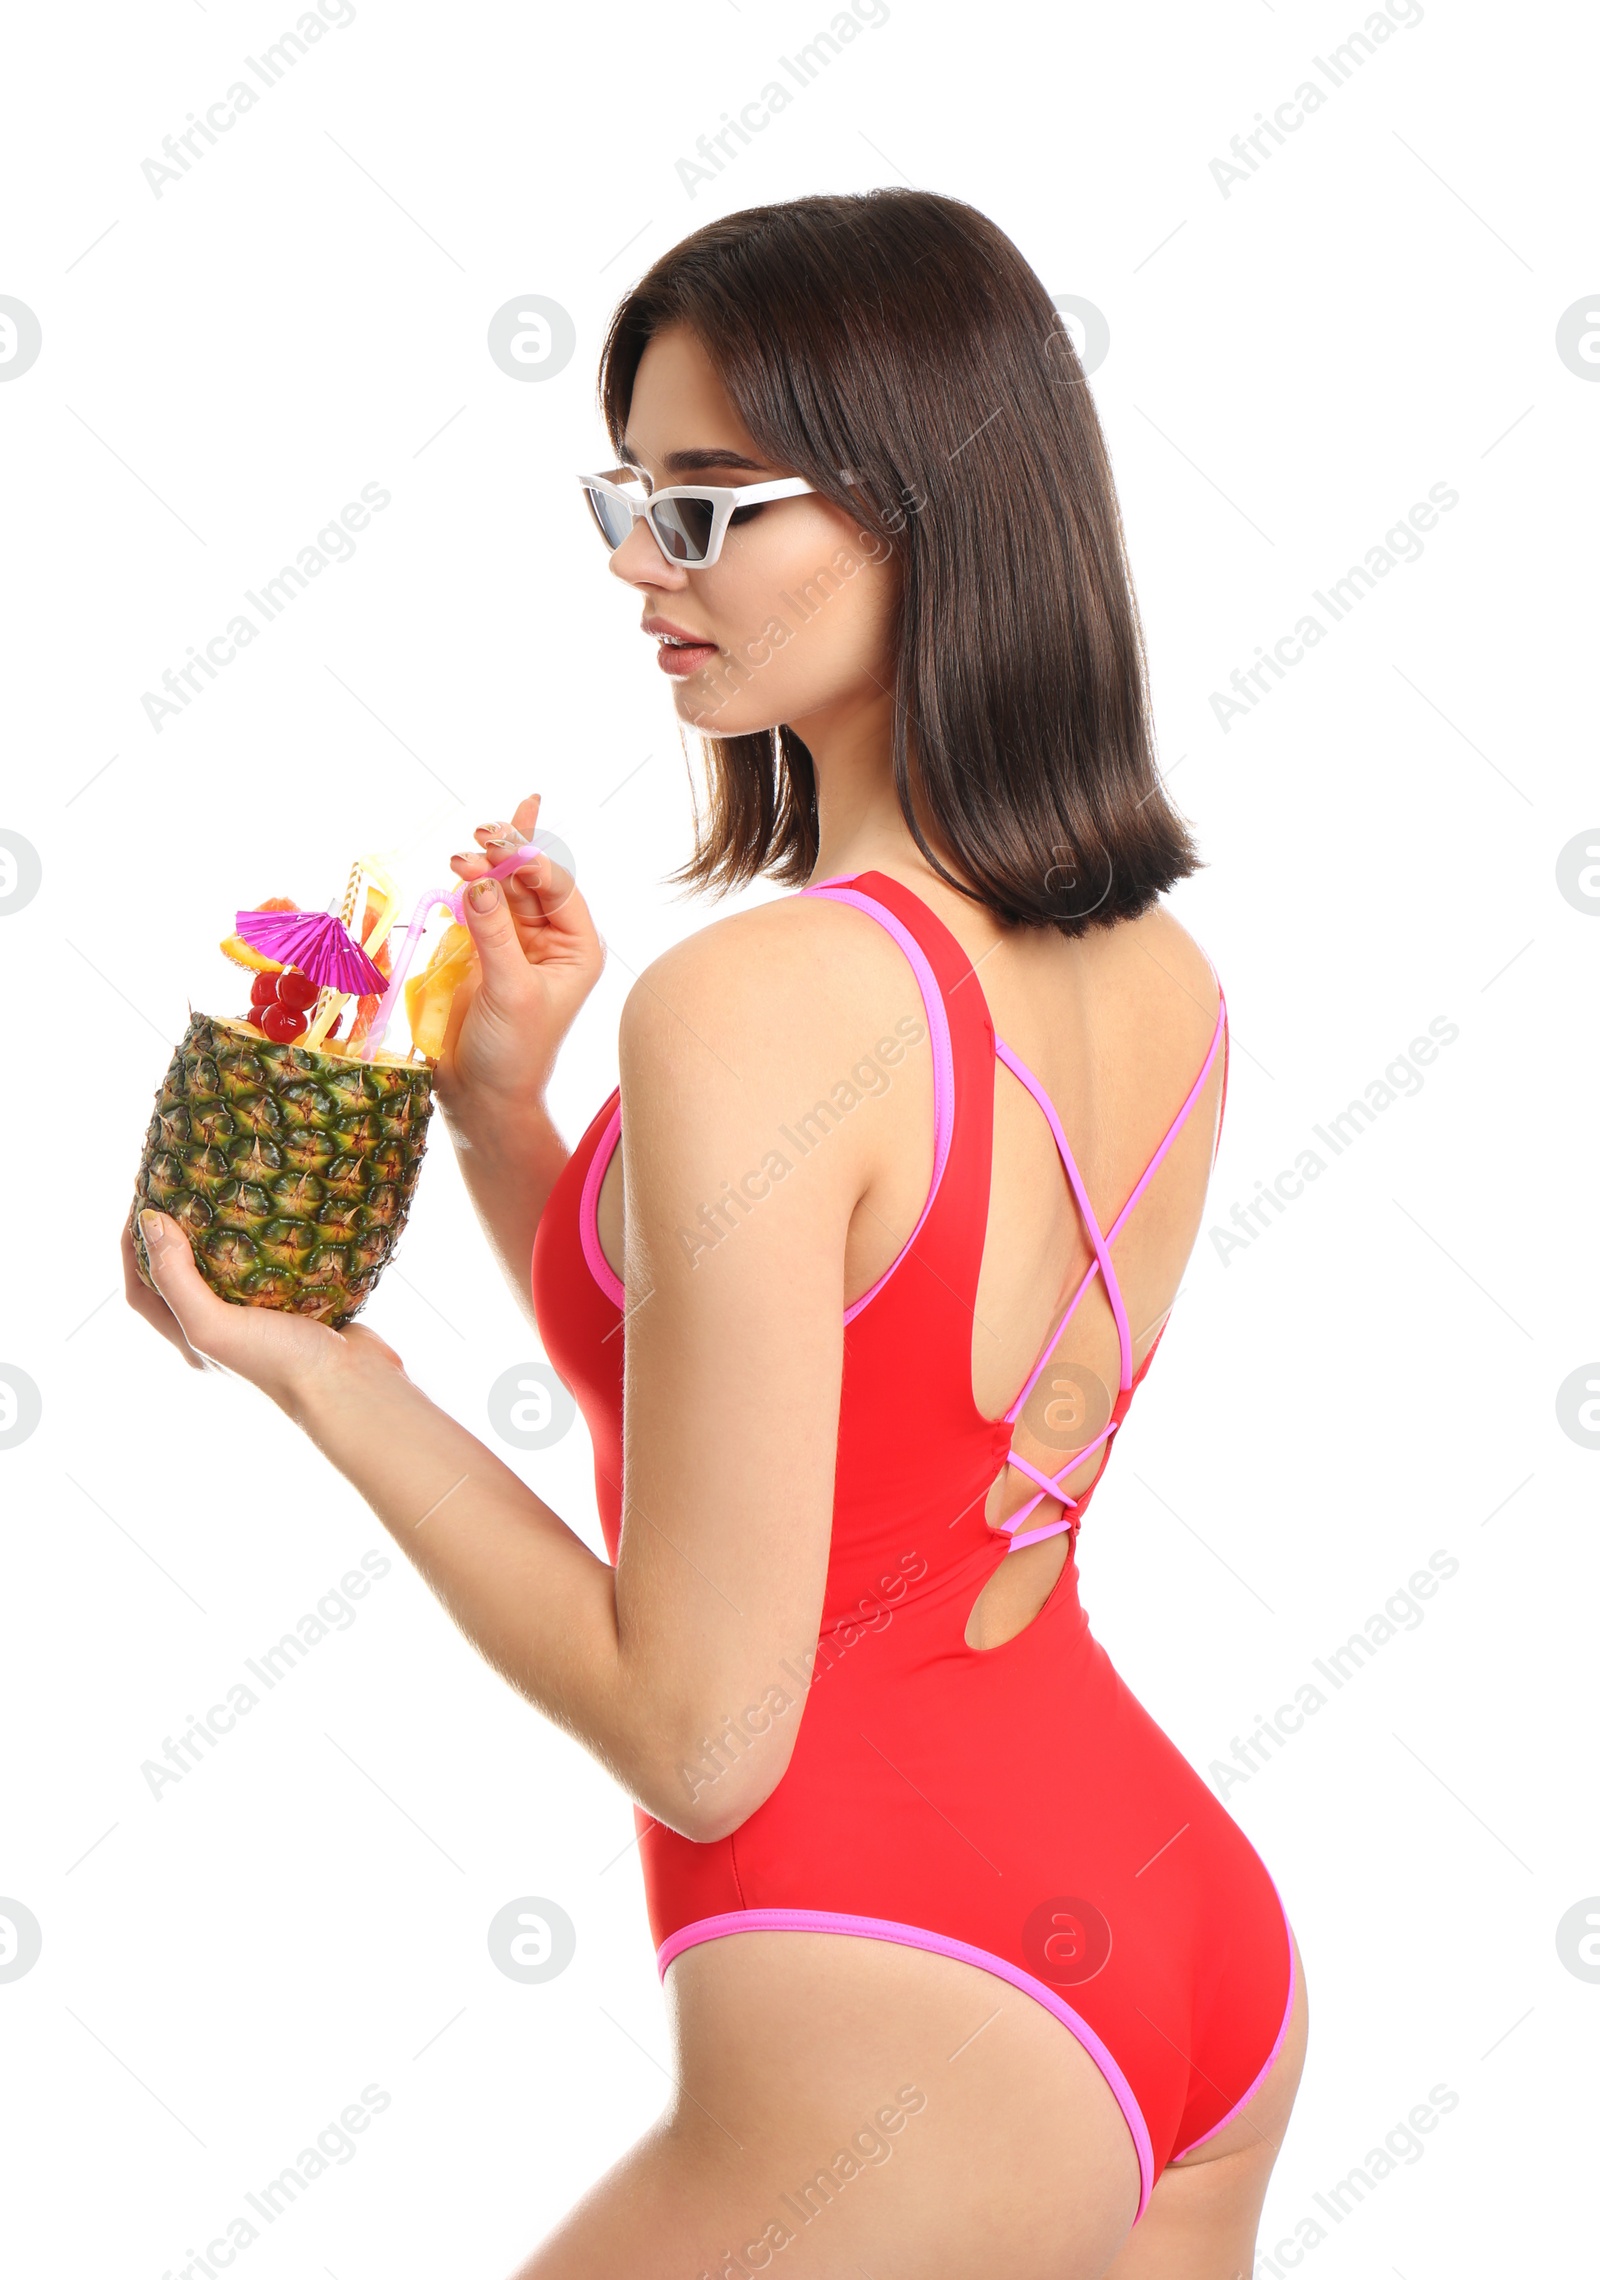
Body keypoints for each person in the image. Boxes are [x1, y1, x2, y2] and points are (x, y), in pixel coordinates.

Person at [127, 188, 1308, 2280]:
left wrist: (321, 1368)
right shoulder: (1156, 978)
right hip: (1170, 1941)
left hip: (903, 1991)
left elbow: (698, 1727)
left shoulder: (764, 1001)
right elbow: (812, 1445)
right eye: (626, 498)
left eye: (701, 505)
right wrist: (508, 1117)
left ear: (917, 504)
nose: (629, 565)